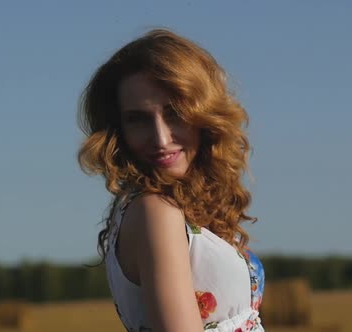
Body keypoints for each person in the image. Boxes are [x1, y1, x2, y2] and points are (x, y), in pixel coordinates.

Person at [77, 28, 265, 332]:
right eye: (137, 119)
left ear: (204, 114)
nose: (161, 138)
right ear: (118, 129)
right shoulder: (156, 212)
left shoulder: (153, 206)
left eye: (174, 113)